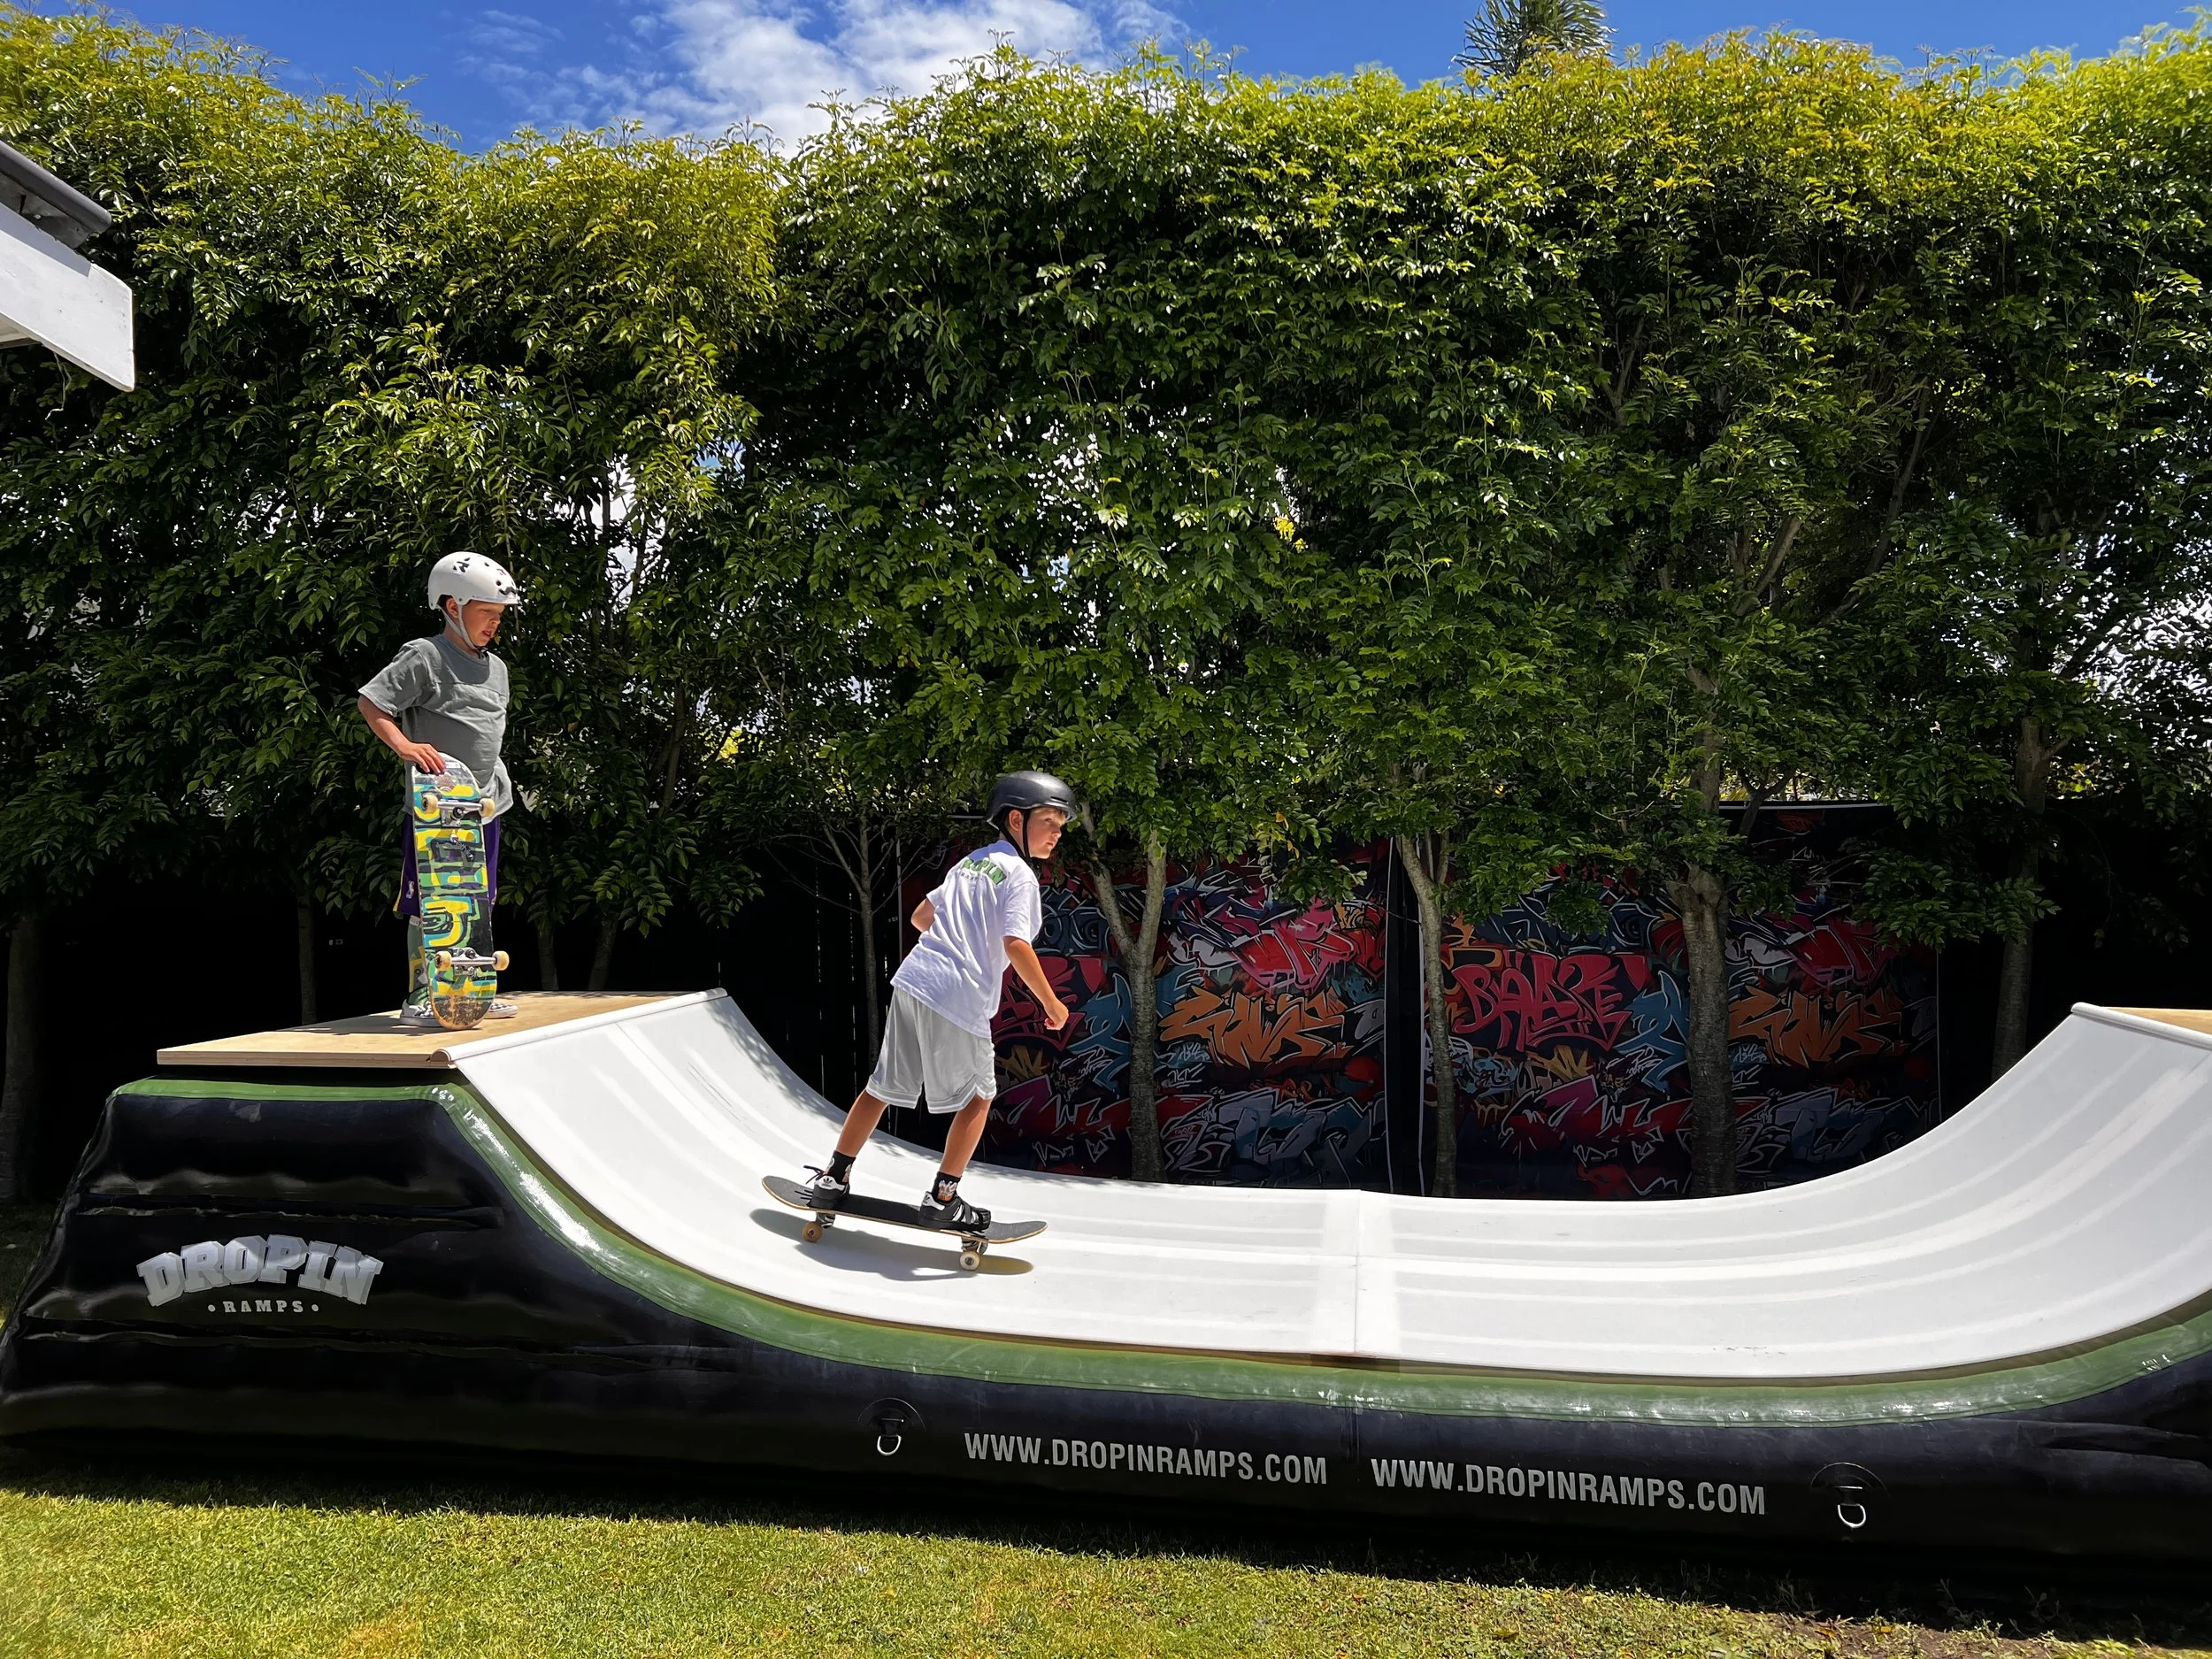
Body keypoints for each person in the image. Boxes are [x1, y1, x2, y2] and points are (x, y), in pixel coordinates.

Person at [802, 771, 1077, 1231]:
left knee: (881, 1087)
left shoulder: (973, 863)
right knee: (980, 1098)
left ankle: (833, 1177)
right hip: (957, 994)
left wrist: (958, 938)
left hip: (915, 980)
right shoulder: (1020, 877)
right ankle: (943, 1196)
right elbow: (1015, 943)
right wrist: (1052, 1004)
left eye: (1061, 825)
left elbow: (921, 916)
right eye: (1049, 820)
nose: (1056, 832)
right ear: (1016, 819)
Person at [356, 552, 525, 1023]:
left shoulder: (499, 670)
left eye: (499, 615)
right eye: (486, 612)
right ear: (453, 606)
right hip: (439, 807)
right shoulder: (425, 656)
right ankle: (420, 995)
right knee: (432, 899)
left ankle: (469, 994)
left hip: (485, 803)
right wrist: (405, 747)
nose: (495, 623)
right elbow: (372, 703)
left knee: (477, 898)